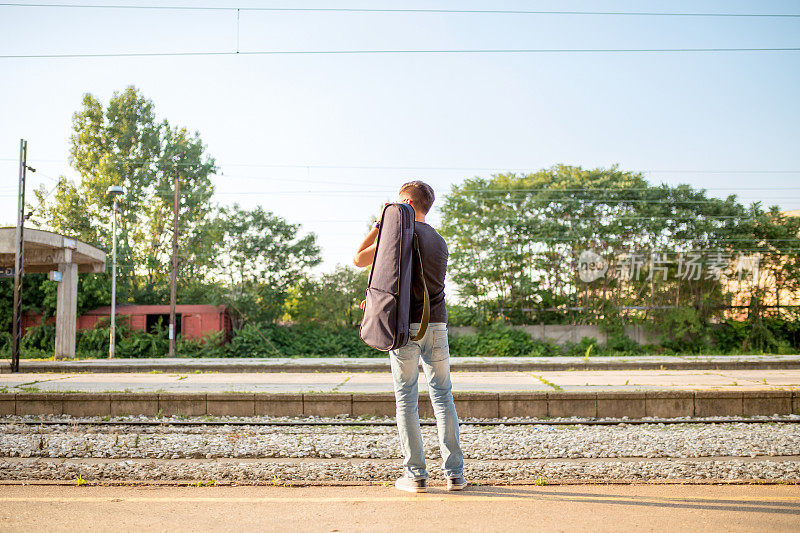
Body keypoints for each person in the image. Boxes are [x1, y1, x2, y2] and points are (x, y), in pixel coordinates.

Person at [353, 180, 466, 494]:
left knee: (407, 400)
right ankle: (454, 475)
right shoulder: (440, 241)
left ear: (404, 201)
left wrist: (381, 223)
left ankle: (415, 475)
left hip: (405, 328)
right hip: (438, 325)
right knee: (443, 396)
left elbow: (359, 258)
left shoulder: (396, 234)